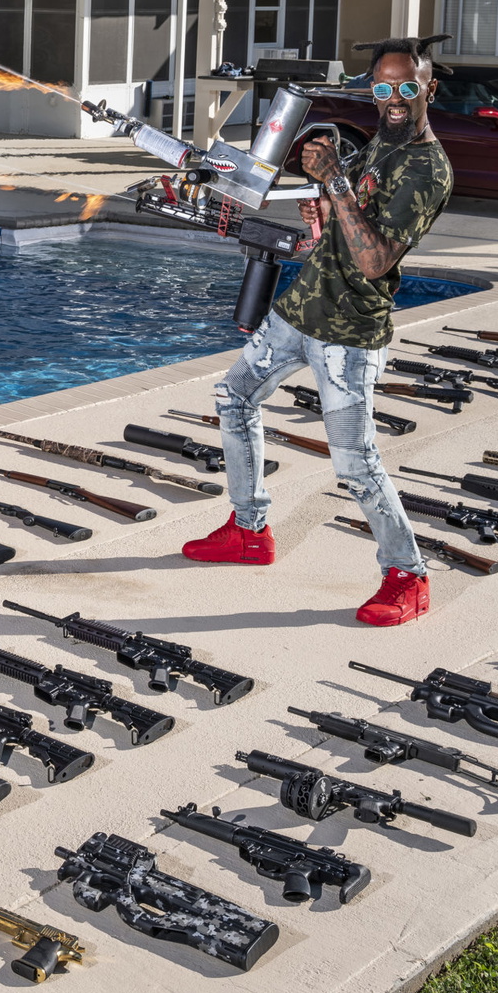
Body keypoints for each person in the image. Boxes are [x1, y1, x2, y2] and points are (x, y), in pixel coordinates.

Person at [182, 35, 457, 628]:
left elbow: (376, 260)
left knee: (356, 464)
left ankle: (407, 575)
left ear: (429, 88)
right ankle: (249, 529)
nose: (394, 98)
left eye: (407, 85)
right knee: (234, 397)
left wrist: (332, 181)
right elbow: (339, 224)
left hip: (349, 333)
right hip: (300, 310)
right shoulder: (378, 146)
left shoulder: (427, 168)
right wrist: (321, 210)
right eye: (383, 87)